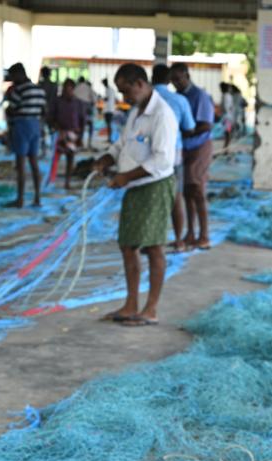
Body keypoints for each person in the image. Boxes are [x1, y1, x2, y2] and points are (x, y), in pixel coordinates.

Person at [93, 63, 178, 328]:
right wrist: (107, 159)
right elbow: (122, 144)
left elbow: (162, 161)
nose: (124, 97)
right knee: (128, 245)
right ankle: (130, 304)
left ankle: (150, 309)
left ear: (140, 84)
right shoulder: (136, 112)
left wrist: (126, 177)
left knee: (153, 247)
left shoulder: (162, 114)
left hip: (154, 187)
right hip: (133, 186)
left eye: (126, 91)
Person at [169, 63, 216, 250]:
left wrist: (186, 131)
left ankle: (204, 235)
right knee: (187, 192)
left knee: (197, 190)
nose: (176, 83)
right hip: (184, 148)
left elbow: (207, 124)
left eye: (178, 79)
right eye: (172, 80)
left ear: (187, 76)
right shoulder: (178, 97)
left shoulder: (199, 96)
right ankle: (190, 233)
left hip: (199, 146)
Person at [151, 64, 196, 253]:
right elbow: (190, 128)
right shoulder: (179, 100)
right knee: (176, 198)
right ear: (169, 80)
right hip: (173, 155)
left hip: (149, 156)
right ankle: (178, 240)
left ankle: (153, 241)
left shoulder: (145, 99)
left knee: (152, 198)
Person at [3, 62, 46, 208]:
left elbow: (11, 110)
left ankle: (20, 199)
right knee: (34, 162)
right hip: (35, 126)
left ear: (19, 74)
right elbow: (43, 111)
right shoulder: (39, 90)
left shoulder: (19, 90)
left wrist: (8, 98)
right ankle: (37, 198)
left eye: (13, 76)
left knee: (20, 164)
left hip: (22, 126)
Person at [49, 78, 86, 190]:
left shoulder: (78, 103)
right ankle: (51, 181)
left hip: (73, 133)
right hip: (60, 132)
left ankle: (67, 182)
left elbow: (82, 120)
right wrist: (56, 127)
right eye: (65, 89)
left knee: (70, 158)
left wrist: (81, 136)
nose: (67, 92)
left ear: (73, 90)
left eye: (69, 90)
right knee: (55, 158)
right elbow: (50, 117)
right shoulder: (57, 101)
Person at [38, 66, 58, 153]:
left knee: (42, 131)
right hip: (51, 111)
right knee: (52, 130)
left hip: (42, 111)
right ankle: (52, 148)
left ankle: (44, 150)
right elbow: (55, 99)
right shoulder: (54, 85)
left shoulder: (40, 85)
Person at [74, 76, 96, 149]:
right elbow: (94, 99)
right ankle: (89, 143)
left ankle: (80, 143)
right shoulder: (88, 87)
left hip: (77, 110)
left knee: (80, 127)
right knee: (90, 125)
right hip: (86, 109)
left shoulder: (76, 88)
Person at [219, 82, 235, 150]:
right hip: (228, 117)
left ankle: (226, 147)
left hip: (227, 117)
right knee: (227, 132)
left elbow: (226, 107)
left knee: (227, 132)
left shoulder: (226, 96)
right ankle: (226, 147)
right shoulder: (227, 96)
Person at [102, 78, 118, 143]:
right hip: (111, 109)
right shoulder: (111, 90)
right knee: (109, 124)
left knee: (109, 125)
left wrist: (102, 98)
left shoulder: (108, 90)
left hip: (108, 109)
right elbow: (115, 99)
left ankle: (110, 139)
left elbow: (107, 99)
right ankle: (109, 138)